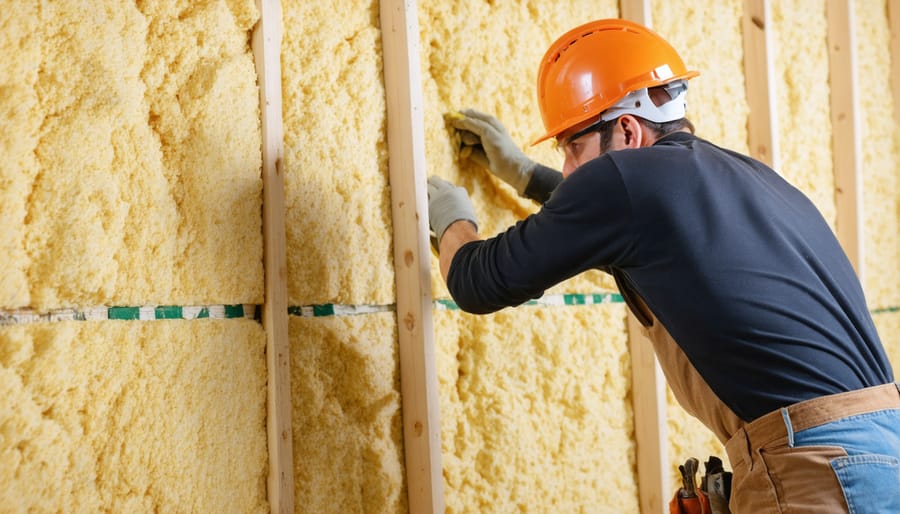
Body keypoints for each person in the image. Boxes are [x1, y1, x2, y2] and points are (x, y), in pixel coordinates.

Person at [426, 18, 899, 514]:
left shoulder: (626, 182)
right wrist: (526, 176)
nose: (568, 169)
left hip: (815, 466)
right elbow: (621, 222)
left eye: (573, 147)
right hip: (882, 453)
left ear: (626, 129)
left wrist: (453, 220)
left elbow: (477, 282)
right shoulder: (751, 179)